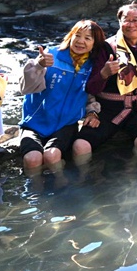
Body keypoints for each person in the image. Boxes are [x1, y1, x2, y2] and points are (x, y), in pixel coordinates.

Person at [73, 4, 137, 162]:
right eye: (126, 20)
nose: (131, 24)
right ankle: (84, 175)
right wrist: (104, 73)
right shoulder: (106, 47)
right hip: (107, 110)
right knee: (80, 145)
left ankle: (132, 168)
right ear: (119, 22)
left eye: (136, 20)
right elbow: (90, 87)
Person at [19, 20, 107, 171]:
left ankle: (62, 182)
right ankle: (36, 186)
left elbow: (88, 94)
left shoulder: (92, 66)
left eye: (87, 38)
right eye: (77, 35)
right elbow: (26, 88)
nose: (80, 41)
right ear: (70, 36)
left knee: (52, 156)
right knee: (32, 159)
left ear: (95, 44)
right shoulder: (50, 56)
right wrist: (38, 66)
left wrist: (92, 112)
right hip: (35, 122)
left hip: (66, 123)